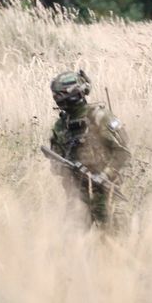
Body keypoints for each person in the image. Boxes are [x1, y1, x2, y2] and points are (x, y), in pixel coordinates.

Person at [47, 70, 132, 226]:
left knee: (117, 243)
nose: (58, 99)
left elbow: (122, 152)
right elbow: (55, 165)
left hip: (106, 194)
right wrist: (68, 168)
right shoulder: (60, 126)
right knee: (71, 245)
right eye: (56, 96)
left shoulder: (99, 117)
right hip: (77, 198)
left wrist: (104, 175)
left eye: (61, 95)